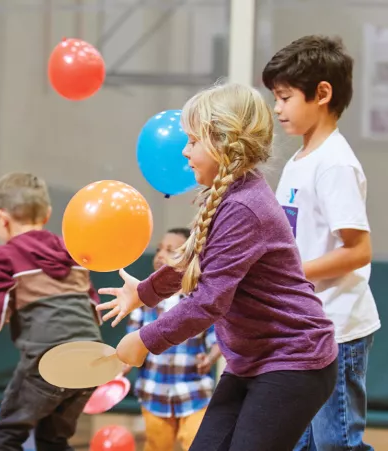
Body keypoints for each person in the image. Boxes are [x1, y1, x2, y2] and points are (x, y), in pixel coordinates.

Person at [97, 83, 339, 451]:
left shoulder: (244, 206)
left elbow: (209, 301)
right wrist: (143, 293)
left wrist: (145, 340)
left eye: (193, 141)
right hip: (252, 361)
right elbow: (191, 260)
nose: (184, 150)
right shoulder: (230, 197)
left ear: (223, 143)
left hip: (293, 362)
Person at [263, 35, 380, 451]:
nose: (277, 108)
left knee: (335, 443)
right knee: (301, 441)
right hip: (306, 327)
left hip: (338, 328)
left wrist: (287, 274)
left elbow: (358, 251)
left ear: (322, 94)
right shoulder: (300, 160)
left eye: (285, 97)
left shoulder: (334, 163)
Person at [0, 172, 102, 451]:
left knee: (6, 435)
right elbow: (93, 305)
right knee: (54, 439)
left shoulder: (4, 256)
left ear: (2, 218)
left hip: (47, 361)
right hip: (91, 358)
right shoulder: (70, 249)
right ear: (47, 215)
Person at [124, 228, 221, 451]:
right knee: (158, 447)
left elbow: (216, 338)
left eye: (170, 250)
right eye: (158, 249)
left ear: (189, 259)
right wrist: (125, 362)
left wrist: (211, 357)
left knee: (198, 443)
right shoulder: (142, 301)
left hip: (194, 391)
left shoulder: (200, 300)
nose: (160, 255)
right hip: (154, 392)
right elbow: (132, 340)